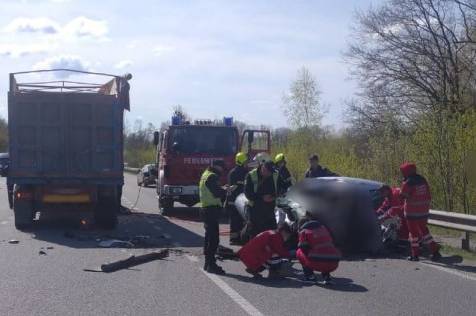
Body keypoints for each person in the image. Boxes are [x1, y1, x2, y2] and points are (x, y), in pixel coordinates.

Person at [399, 162, 441, 261]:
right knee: (424, 231)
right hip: (424, 211)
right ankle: (435, 251)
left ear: (406, 171)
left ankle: (415, 255)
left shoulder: (408, 182)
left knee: (413, 235)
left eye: (403, 171)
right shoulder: (423, 180)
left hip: (412, 212)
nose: (402, 173)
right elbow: (427, 194)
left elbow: (402, 196)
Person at [244, 153, 284, 237]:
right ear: (263, 168)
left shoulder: (275, 174)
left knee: (272, 235)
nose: (269, 174)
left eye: (271, 172)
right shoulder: (251, 175)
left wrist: (275, 197)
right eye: (268, 172)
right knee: (255, 236)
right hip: (255, 211)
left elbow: (283, 188)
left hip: (270, 210)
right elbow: (248, 194)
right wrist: (262, 198)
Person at [199, 159, 228, 274]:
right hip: (210, 210)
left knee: (208, 238)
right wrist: (225, 190)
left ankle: (208, 263)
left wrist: (222, 189)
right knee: (213, 239)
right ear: (217, 167)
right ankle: (211, 264)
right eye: (222, 168)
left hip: (206, 209)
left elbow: (212, 190)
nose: (222, 171)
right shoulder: (212, 176)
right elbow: (217, 193)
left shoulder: (205, 174)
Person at [296, 216, 341, 284]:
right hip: (334, 262)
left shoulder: (303, 232)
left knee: (299, 252)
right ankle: (327, 277)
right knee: (325, 251)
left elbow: (303, 248)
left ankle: (310, 276)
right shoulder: (323, 228)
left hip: (318, 264)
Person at [227, 152, 248, 244]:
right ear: (243, 161)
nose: (247, 163)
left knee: (235, 220)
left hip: (234, 200)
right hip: (239, 200)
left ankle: (235, 239)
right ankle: (238, 238)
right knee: (239, 220)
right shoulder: (244, 172)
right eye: (246, 161)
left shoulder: (232, 172)